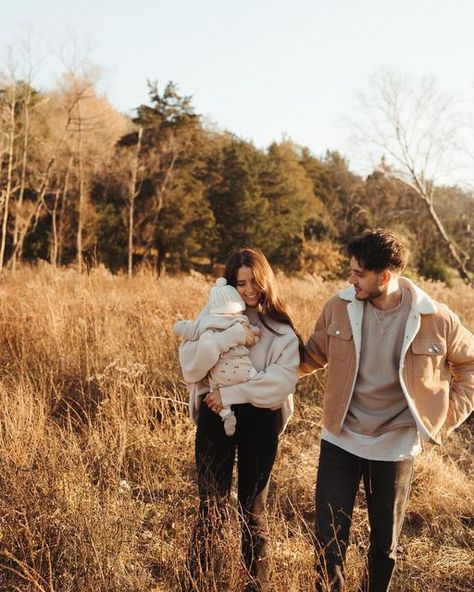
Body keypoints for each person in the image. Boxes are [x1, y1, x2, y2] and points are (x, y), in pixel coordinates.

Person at [300, 228, 474, 592]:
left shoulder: (435, 317)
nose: (352, 279)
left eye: (359, 273)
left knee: (383, 546)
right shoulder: (339, 307)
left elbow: (470, 364)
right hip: (340, 437)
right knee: (328, 541)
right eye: (351, 271)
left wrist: (443, 419)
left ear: (386, 275)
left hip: (395, 444)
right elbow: (310, 355)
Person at [177, 248, 302, 592]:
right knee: (210, 507)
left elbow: (280, 384)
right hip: (214, 418)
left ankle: (255, 586)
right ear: (229, 285)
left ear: (266, 282)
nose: (249, 290)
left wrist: (233, 394)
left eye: (254, 282)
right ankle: (200, 583)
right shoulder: (212, 320)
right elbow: (190, 368)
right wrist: (222, 339)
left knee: (253, 509)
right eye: (240, 283)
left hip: (260, 420)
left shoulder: (280, 331)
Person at [173, 276, 260, 436]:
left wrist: (178, 326)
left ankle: (226, 415)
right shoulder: (241, 320)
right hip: (244, 372)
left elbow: (190, 330)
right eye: (241, 283)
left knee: (215, 395)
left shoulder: (206, 323)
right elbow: (253, 336)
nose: (249, 289)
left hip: (218, 380)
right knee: (254, 377)